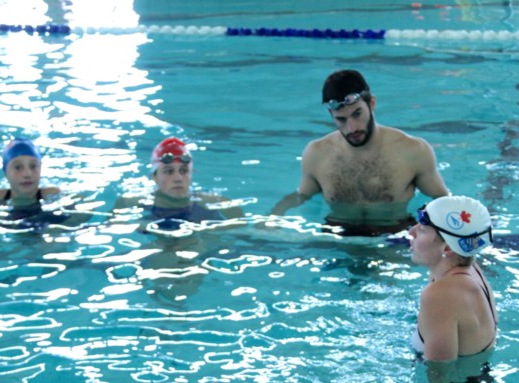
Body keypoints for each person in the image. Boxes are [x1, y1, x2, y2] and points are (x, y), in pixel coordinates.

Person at [272, 69, 449, 236]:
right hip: (337, 235)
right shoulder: (317, 154)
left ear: (371, 103)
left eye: (357, 114)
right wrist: (271, 220)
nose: (352, 128)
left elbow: (442, 200)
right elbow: (302, 196)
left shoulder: (412, 150)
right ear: (331, 115)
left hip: (394, 234)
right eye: (341, 119)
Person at [409, 195, 497, 362]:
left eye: (422, 229)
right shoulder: (468, 270)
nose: (411, 232)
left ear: (448, 248)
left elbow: (439, 376)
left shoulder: (441, 295)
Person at [114, 136, 243, 230]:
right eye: (169, 171)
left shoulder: (217, 202)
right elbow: (111, 228)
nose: (178, 178)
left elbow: (243, 231)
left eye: (184, 171)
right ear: (154, 177)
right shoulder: (131, 202)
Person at [0, 138, 61, 212]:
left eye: (33, 166)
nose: (27, 174)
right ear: (6, 172)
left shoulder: (52, 194)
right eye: (18, 167)